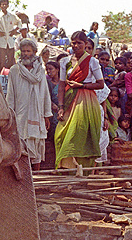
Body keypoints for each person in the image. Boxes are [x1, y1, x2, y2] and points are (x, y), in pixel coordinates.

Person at [54, 31, 105, 168]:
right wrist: (60, 107)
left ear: (86, 44)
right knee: (61, 134)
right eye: (74, 42)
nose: (76, 45)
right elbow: (61, 85)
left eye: (79, 43)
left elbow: (101, 84)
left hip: (85, 101)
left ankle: (83, 169)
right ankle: (67, 168)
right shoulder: (65, 61)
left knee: (80, 132)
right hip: (69, 98)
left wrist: (82, 85)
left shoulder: (92, 61)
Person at [6, 38, 52, 170]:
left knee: (36, 145)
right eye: (23, 51)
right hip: (20, 114)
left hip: (37, 114)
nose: (25, 53)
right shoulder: (14, 70)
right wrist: (10, 114)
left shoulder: (40, 71)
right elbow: (11, 94)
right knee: (21, 144)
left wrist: (46, 114)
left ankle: (36, 177)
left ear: (34, 52)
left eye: (28, 51)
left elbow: (45, 93)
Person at [44, 60, 61, 169]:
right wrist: (52, 105)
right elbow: (45, 97)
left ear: (57, 70)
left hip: (62, 112)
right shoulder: (47, 83)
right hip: (52, 113)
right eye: (47, 69)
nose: (49, 72)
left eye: (51, 69)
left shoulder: (63, 83)